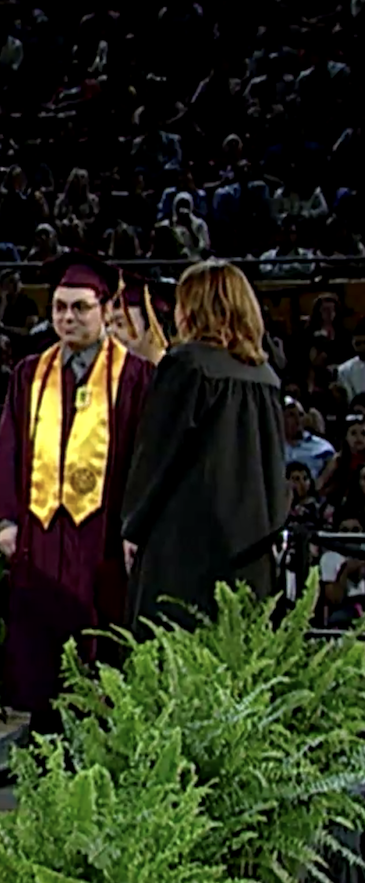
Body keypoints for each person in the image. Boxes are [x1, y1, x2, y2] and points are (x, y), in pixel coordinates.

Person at [0, 253, 154, 735]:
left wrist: (137, 525)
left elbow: (146, 459)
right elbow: (9, 447)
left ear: (104, 311)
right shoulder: (29, 373)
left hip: (103, 535)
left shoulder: (136, 378)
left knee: (102, 648)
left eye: (79, 308)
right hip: (42, 535)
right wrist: (7, 519)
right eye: (59, 308)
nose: (68, 318)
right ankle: (43, 744)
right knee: (43, 656)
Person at [122, 260, 287, 630]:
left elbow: (158, 456)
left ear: (195, 307)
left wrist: (133, 526)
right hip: (251, 549)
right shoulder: (266, 376)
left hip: (186, 547)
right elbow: (276, 469)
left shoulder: (187, 366)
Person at [107, 274, 171, 364]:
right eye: (107, 324)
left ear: (155, 329)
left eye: (120, 324)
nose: (110, 331)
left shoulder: (180, 375)